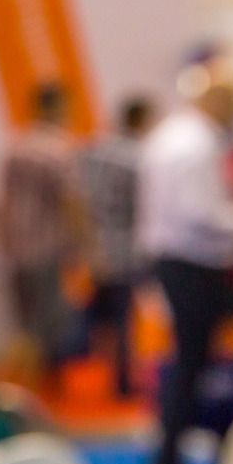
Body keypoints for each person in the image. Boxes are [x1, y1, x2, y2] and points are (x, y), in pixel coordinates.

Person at [138, 54, 233, 464]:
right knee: (189, 368)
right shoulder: (199, 143)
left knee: (188, 368)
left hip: (177, 262)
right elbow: (201, 213)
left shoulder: (172, 135)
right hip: (194, 265)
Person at [0, 82, 87, 380]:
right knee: (44, 324)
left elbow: (4, 201)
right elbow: (70, 201)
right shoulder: (59, 149)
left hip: (15, 247)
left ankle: (17, 382)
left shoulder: (18, 147)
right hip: (46, 248)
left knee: (24, 322)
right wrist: (83, 244)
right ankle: (29, 386)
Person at [78, 97, 154, 399]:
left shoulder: (95, 150)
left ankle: (87, 375)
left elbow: (80, 197)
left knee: (98, 316)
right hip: (125, 245)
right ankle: (121, 380)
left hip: (96, 243)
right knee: (122, 316)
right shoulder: (138, 157)